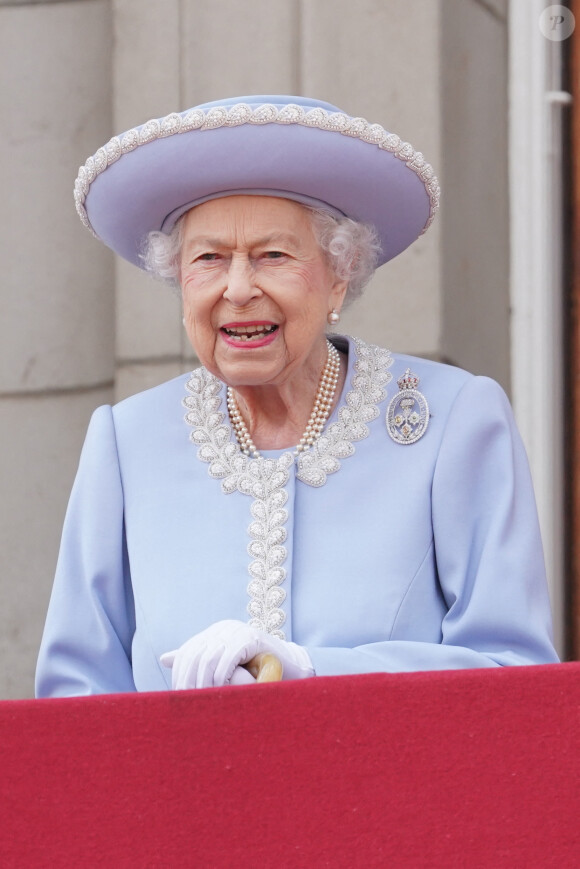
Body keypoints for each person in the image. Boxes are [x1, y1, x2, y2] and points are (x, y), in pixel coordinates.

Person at [36, 94, 558, 697]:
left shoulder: (453, 421)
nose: (237, 289)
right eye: (208, 259)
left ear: (340, 273)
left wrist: (308, 668)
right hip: (185, 792)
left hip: (393, 790)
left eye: (272, 256)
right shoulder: (127, 442)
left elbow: (514, 677)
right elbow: (74, 700)